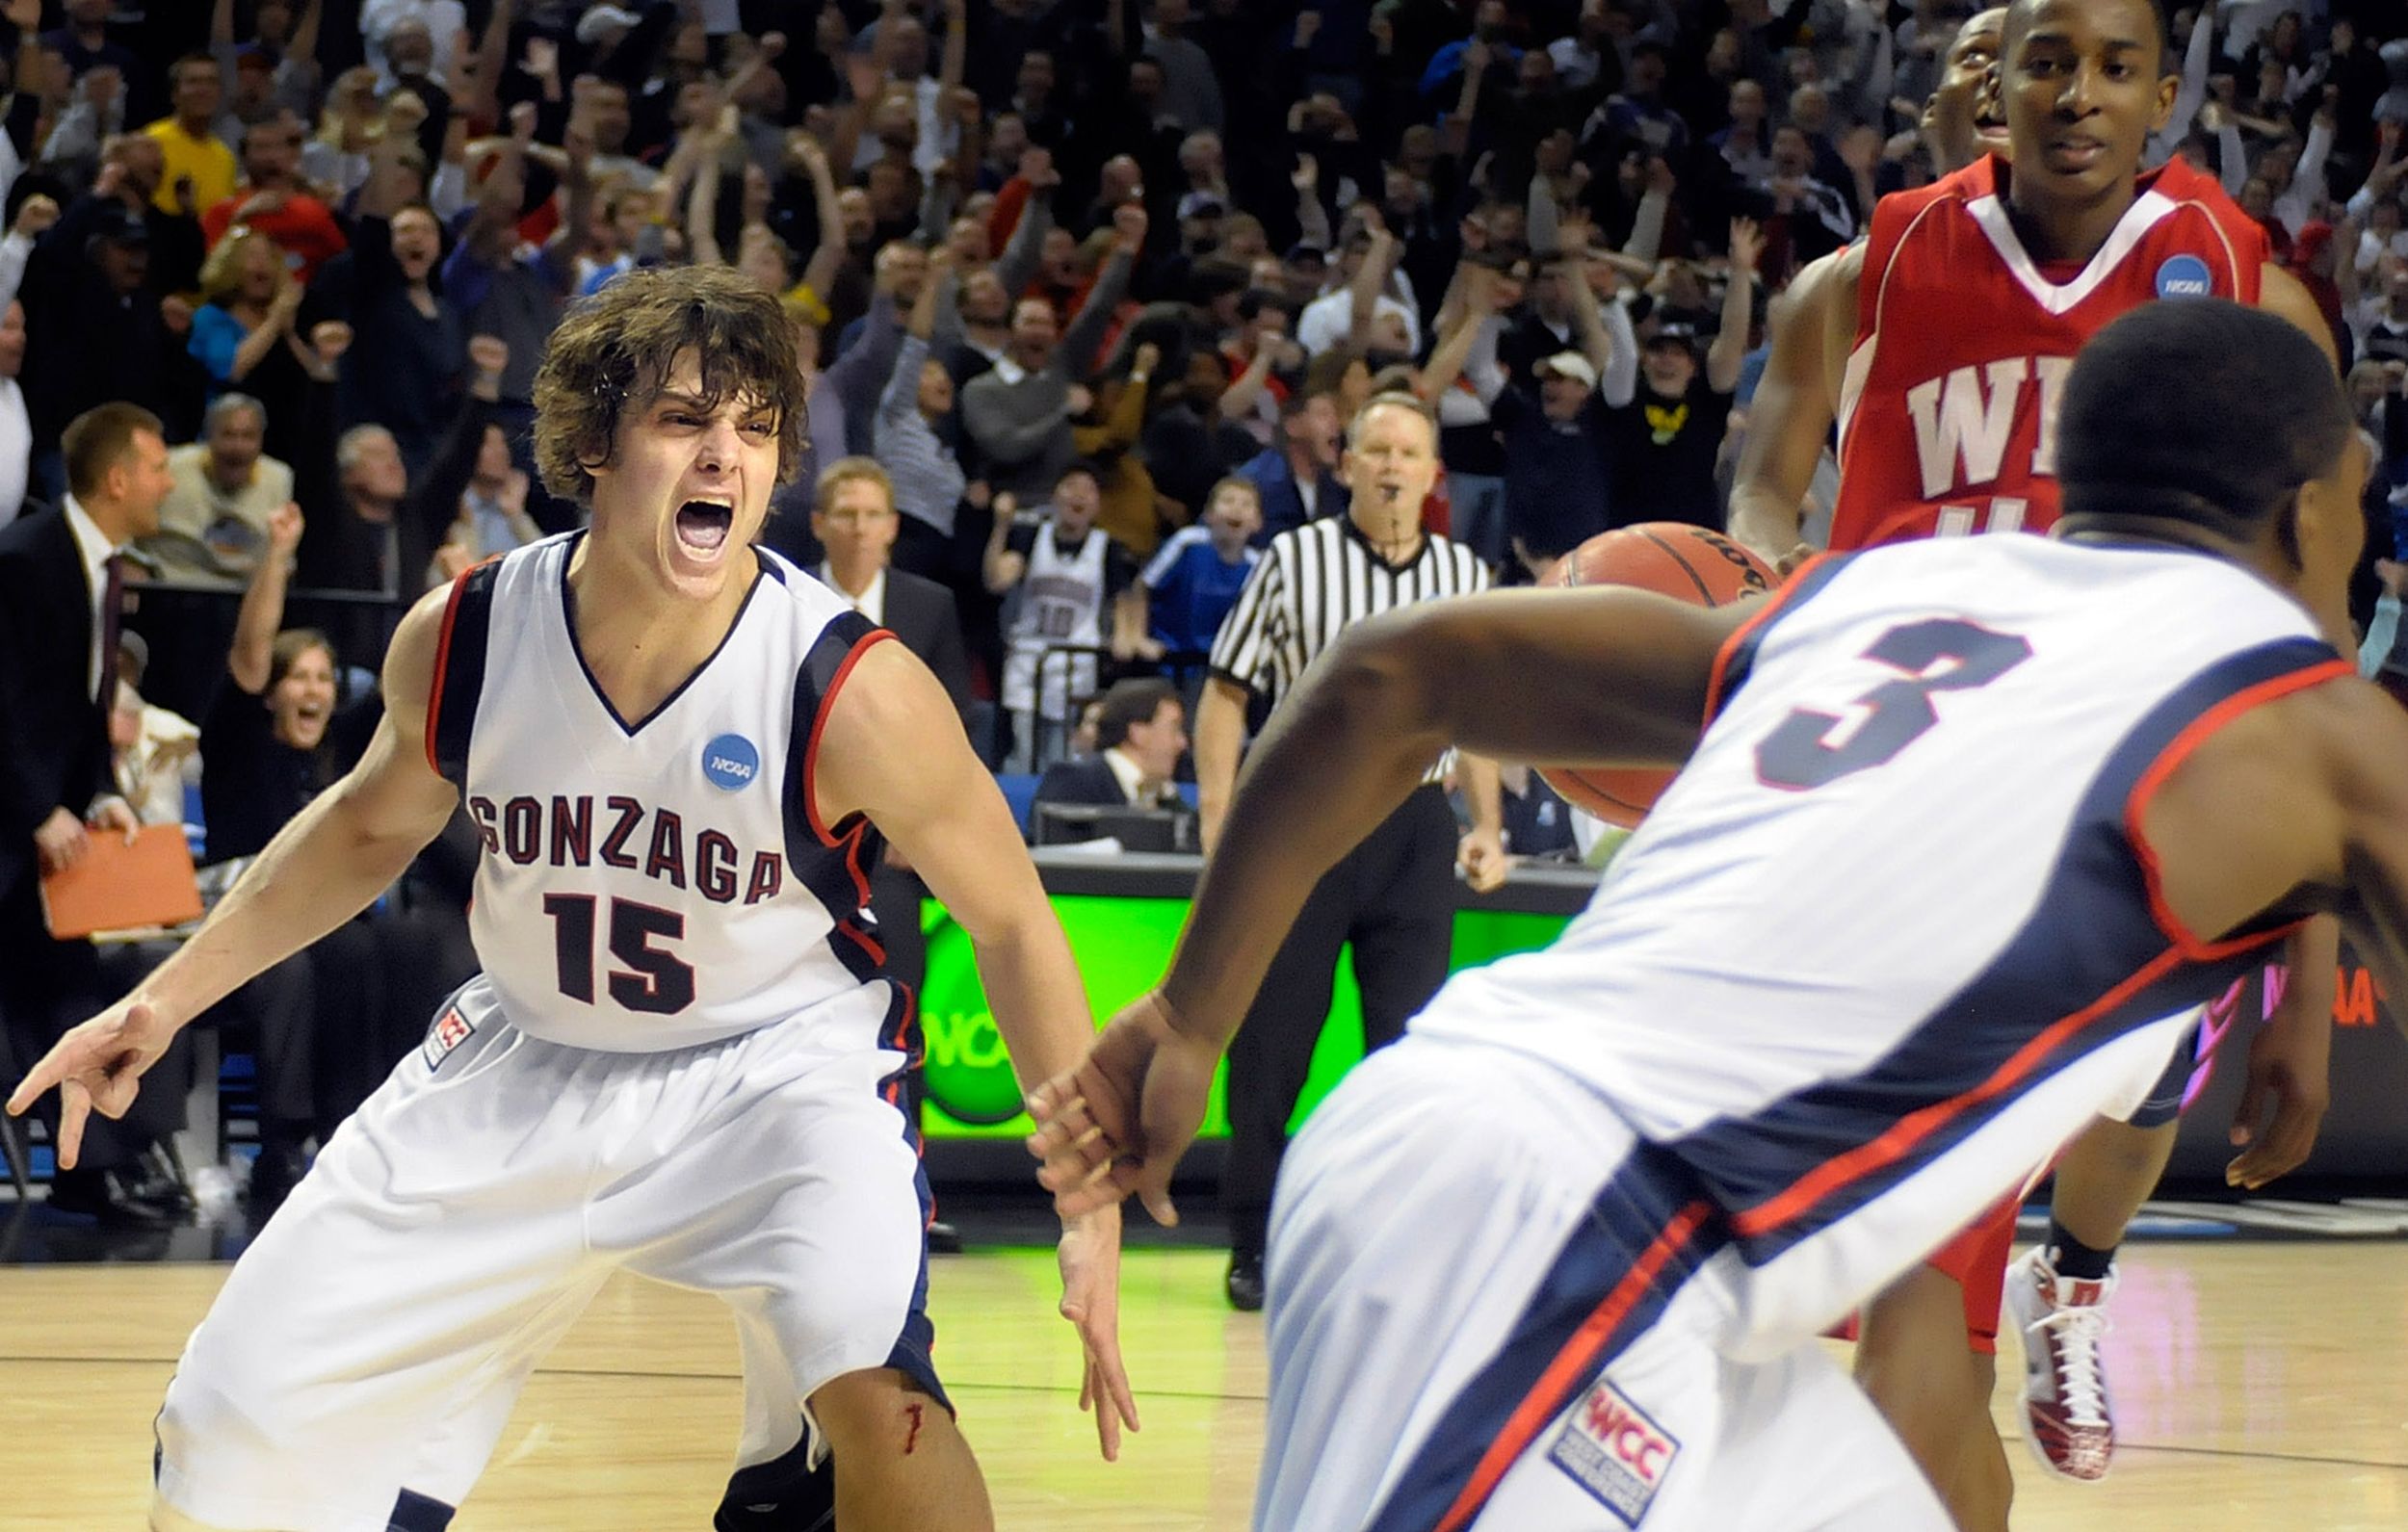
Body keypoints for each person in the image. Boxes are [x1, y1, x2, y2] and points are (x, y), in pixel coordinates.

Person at [1030, 298, 2386, 1532]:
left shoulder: (1870, 593)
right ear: (2316, 512)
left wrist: (1191, 1012)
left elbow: (1397, 671)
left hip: (1559, 1209)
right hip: (1555, 1230)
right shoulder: (2317, 726)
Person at [9, 266, 1134, 1531]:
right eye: (686, 420)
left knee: (871, 1377)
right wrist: (159, 1001)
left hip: (777, 1069)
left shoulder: (851, 685)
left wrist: (1083, 1204)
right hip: (525, 1051)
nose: (727, 456)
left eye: (757, 430)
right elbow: (367, 825)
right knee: (232, 1421)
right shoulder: (470, 632)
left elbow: (1015, 919)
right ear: (593, 442)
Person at [1725, 0, 2343, 1510]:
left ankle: (2080, 1275)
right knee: (1905, 1355)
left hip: (2125, 846)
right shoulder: (1865, 269)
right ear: (1992, 85)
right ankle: (2039, 1293)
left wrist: (2306, 990)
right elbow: (1758, 494)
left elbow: (2311, 638)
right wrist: (1771, 587)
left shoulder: (2245, 289)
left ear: (2162, 98)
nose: (2079, 95)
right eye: (2049, 60)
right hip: (1908, 833)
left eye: (2116, 66)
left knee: (2078, 1157)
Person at [1196, 391, 1507, 1311]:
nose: (1390, 465)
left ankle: (1392, 1243)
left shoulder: (1465, 572)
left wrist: (1486, 824)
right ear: (1347, 465)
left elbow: (1479, 717)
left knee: (1407, 1052)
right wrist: (1220, 818)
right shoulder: (1295, 559)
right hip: (1307, 822)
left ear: (1431, 473)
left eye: (1408, 452)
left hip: (1415, 826)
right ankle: (1252, 1238)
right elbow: (1224, 693)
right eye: (1375, 449)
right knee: (1271, 1047)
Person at [0, 402, 169, 1225]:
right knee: (51, 992)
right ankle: (91, 1173)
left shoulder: (105, 564)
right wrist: (37, 809)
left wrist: (100, 791)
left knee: (81, 989)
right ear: (117, 478)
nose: (169, 481)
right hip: (15, 827)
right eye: (159, 465)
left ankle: (93, 1171)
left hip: (51, 835)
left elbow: (80, 705)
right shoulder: (25, 557)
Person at [1029, 676, 1191, 838]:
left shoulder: (1167, 798)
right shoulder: (1072, 782)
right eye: (1174, 729)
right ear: (1138, 732)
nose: (1182, 743)